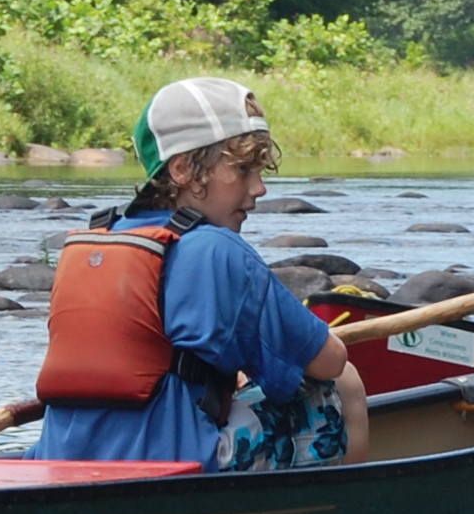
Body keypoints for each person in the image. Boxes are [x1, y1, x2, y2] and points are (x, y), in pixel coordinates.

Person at [32, 78, 370, 471]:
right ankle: (347, 508)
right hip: (171, 466)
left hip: (62, 460)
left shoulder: (94, 242)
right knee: (346, 383)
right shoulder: (217, 250)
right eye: (243, 169)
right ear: (182, 169)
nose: (259, 188)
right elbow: (328, 361)